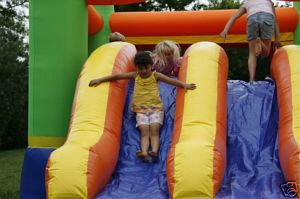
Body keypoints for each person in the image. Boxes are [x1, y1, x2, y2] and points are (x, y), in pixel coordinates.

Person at [89, 51, 196, 162]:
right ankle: (144, 152)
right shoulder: (135, 76)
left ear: (151, 66)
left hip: (155, 109)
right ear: (136, 68)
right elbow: (117, 76)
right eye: (141, 69)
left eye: (146, 68)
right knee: (144, 131)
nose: (144, 71)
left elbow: (171, 81)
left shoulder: (156, 75)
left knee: (154, 130)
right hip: (140, 110)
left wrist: (184, 85)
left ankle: (154, 151)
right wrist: (100, 79)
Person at [219, 0, 281, 82]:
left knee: (252, 54)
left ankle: (251, 80)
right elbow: (275, 21)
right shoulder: (268, 2)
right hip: (267, 17)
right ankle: (260, 42)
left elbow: (234, 16)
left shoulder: (247, 2)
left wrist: (225, 30)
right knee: (265, 53)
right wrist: (277, 39)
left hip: (252, 18)